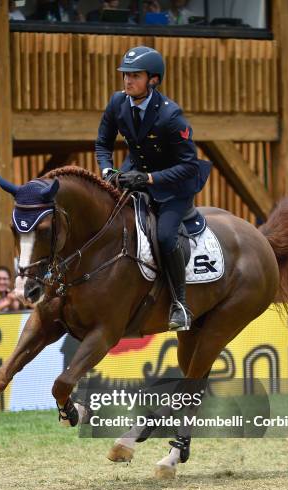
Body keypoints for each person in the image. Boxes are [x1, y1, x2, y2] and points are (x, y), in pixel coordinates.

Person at [95, 46, 212, 330]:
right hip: (133, 173)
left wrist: (149, 180)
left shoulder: (171, 117)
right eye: (125, 75)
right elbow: (103, 143)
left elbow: (188, 165)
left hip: (174, 186)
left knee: (165, 236)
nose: (127, 81)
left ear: (154, 80)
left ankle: (179, 304)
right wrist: (108, 170)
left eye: (135, 76)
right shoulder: (117, 103)